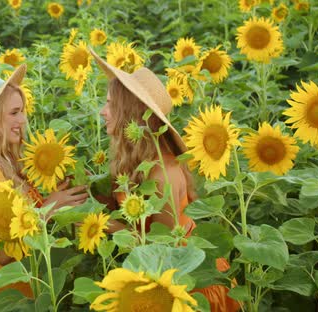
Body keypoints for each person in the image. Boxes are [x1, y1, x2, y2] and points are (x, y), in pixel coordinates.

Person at [90, 50, 241, 312]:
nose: (103, 112)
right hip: (157, 277)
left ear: (131, 112)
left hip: (190, 281)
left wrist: (103, 226)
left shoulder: (163, 173)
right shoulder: (131, 160)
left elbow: (165, 247)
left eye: (110, 104)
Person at [0, 64, 88, 303]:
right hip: (0, 295)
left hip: (23, 291)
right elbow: (2, 254)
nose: (23, 119)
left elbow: (25, 219)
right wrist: (49, 209)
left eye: (23, 111)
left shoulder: (3, 163)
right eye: (14, 113)